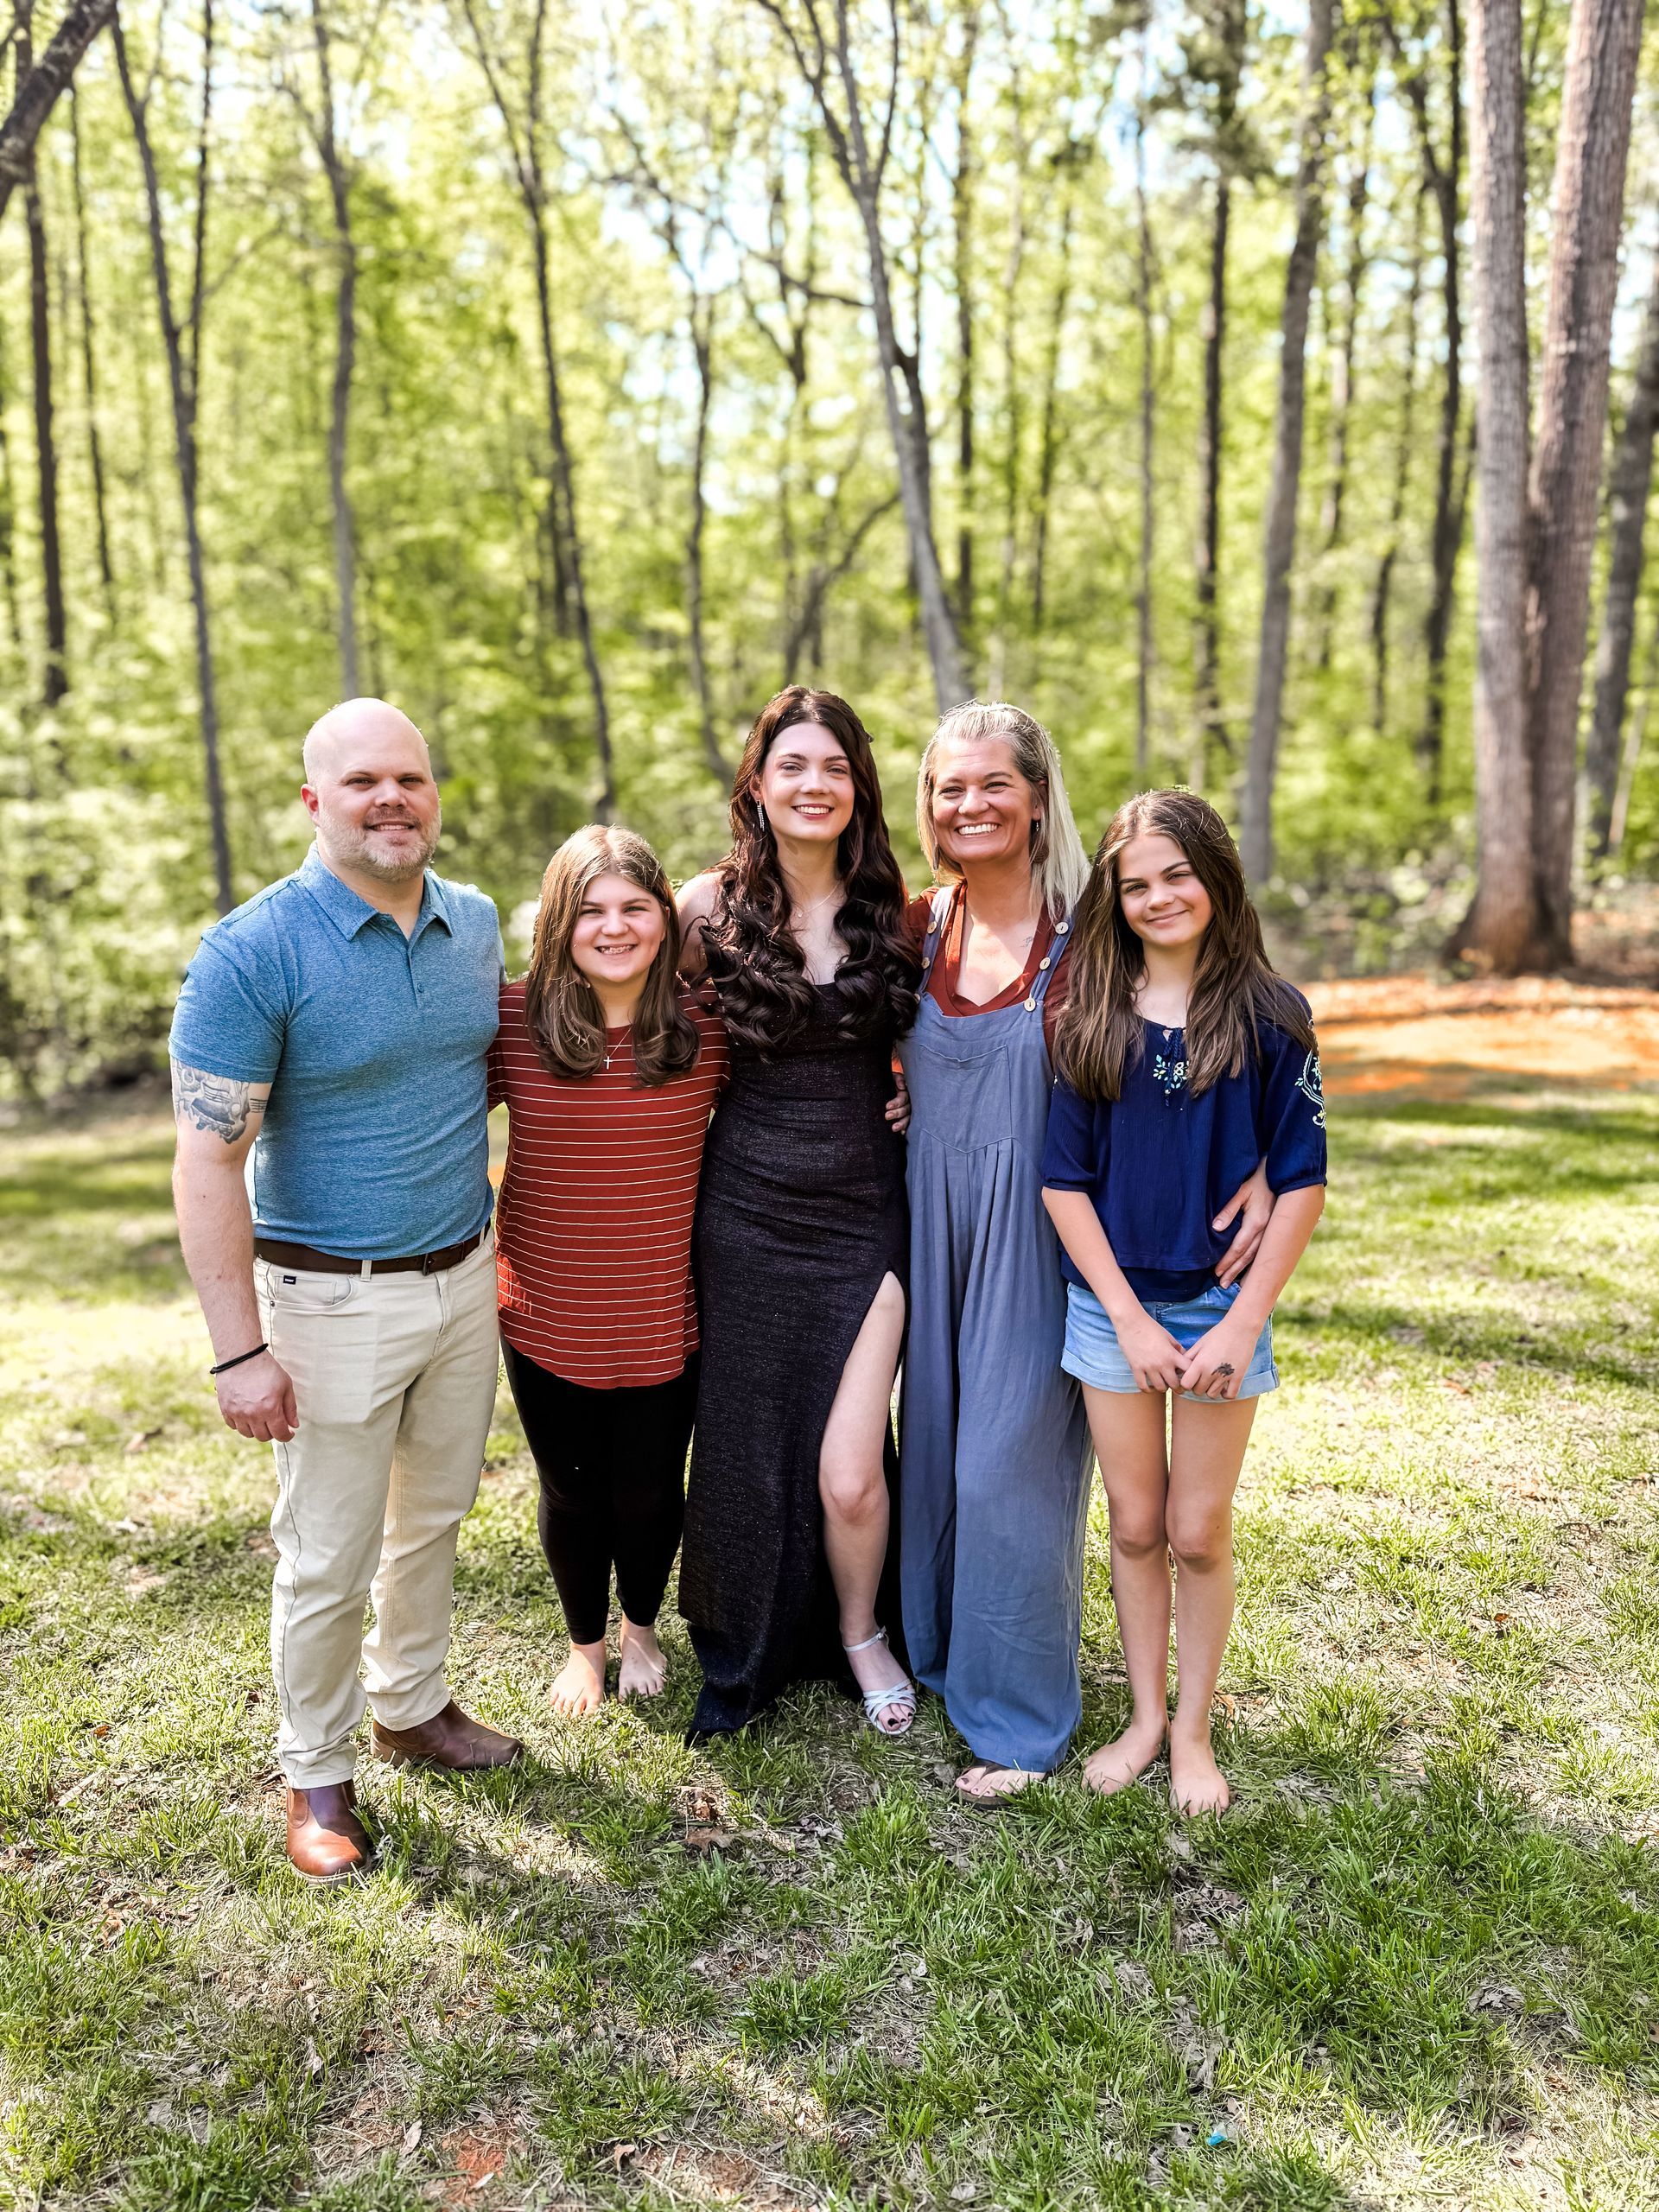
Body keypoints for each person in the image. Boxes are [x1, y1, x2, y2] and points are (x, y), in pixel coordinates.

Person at [168, 698, 522, 1886]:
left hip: (462, 1280)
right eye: (363, 781)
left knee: (434, 1518)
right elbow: (208, 1159)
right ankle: (314, 1772)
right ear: (314, 800)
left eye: (411, 780)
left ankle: (410, 1703)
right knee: (326, 1550)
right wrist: (237, 1350)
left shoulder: (473, 926)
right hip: (328, 1302)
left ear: (434, 794)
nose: (393, 800)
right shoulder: (254, 951)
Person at [899, 702, 1272, 1805]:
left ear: (1037, 796)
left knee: (1005, 1471)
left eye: (993, 784)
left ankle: (1018, 1720)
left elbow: (1213, 1003)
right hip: (931, 1221)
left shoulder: (1090, 933)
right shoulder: (918, 925)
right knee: (931, 1451)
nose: (971, 805)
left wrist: (1262, 1164)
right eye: (949, 788)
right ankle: (936, 1658)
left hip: (1052, 1232)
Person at [1041, 788, 1326, 1816]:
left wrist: (1245, 1319)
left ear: (1217, 877)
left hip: (1218, 1315)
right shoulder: (1087, 1016)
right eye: (1135, 884)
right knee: (1136, 1521)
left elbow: (1302, 1182)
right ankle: (1145, 1718)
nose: (1159, 897)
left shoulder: (1272, 1016)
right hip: (1111, 1309)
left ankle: (1197, 1730)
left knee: (1201, 1527)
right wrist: (1122, 1313)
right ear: (1112, 900)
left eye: (1177, 875)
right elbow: (1063, 1184)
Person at [677, 686, 919, 1738]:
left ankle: (862, 1629)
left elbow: (952, 1030)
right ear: (759, 785)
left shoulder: (897, 908)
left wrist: (923, 1085)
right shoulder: (705, 907)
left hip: (868, 1209)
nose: (813, 784)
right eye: (793, 767)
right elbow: (637, 1025)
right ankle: (748, 1643)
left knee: (851, 1468)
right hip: (745, 1206)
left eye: (833, 766)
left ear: (856, 785)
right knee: (743, 1441)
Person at [489, 825, 728, 1714]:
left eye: (635, 906)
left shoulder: (705, 1027)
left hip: (666, 1306)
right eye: (591, 910)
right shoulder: (514, 1021)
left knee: (649, 1488)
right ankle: (586, 1646)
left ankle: (640, 1626)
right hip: (545, 1307)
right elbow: (427, 1107)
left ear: (665, 919)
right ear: (559, 923)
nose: (615, 926)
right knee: (572, 1488)